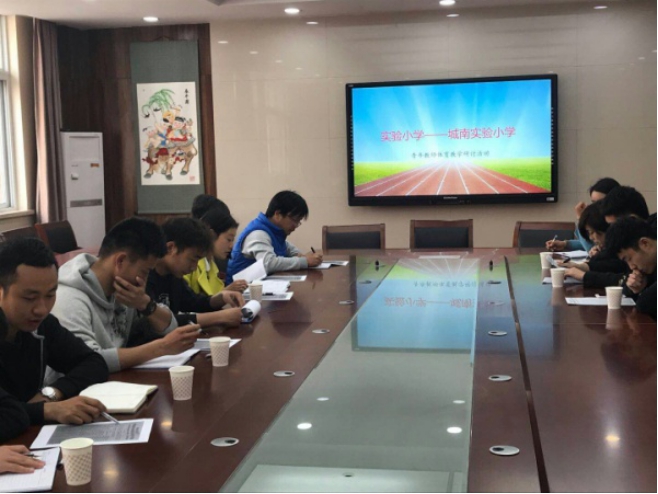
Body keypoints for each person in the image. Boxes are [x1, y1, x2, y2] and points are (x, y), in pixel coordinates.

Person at [51, 217, 200, 373]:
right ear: (120, 261)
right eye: (145, 271)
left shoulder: (124, 291)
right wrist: (161, 347)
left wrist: (146, 305)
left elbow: (168, 328)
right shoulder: (69, 298)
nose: (144, 280)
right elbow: (87, 360)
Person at [0, 238, 109, 441]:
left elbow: (93, 362)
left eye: (50, 295)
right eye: (29, 298)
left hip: (26, 437)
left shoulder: (41, 325)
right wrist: (47, 410)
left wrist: (51, 394)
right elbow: (8, 415)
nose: (41, 309)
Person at [147, 218, 244, 328]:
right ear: (170, 248)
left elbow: (194, 302)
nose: (194, 268)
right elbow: (159, 321)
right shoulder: (145, 276)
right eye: (193, 259)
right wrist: (219, 317)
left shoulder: (173, 275)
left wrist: (221, 297)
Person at [226, 190, 323, 283]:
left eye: (299, 221)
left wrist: (301, 256)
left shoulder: (275, 233)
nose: (296, 225)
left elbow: (288, 249)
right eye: (294, 220)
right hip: (239, 290)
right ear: (277, 214)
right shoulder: (258, 234)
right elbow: (268, 263)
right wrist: (304, 261)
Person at [185, 196, 247, 293]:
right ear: (211, 234)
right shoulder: (188, 262)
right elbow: (189, 300)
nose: (231, 246)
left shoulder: (211, 263)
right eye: (229, 239)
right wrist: (227, 291)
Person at [561, 203, 628, 287]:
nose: (591, 237)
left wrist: (583, 275)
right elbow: (608, 265)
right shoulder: (607, 248)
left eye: (591, 232)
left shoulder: (624, 248)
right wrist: (580, 266)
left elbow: (618, 272)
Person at [546, 177, 619, 252]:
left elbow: (590, 249)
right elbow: (594, 243)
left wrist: (581, 218)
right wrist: (565, 244)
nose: (596, 207)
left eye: (600, 202)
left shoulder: (617, 224)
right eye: (593, 203)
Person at [604, 216, 656, 320]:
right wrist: (635, 288)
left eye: (629, 258)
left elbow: (644, 304)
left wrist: (642, 292)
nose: (632, 266)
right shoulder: (649, 265)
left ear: (645, 243)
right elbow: (626, 287)